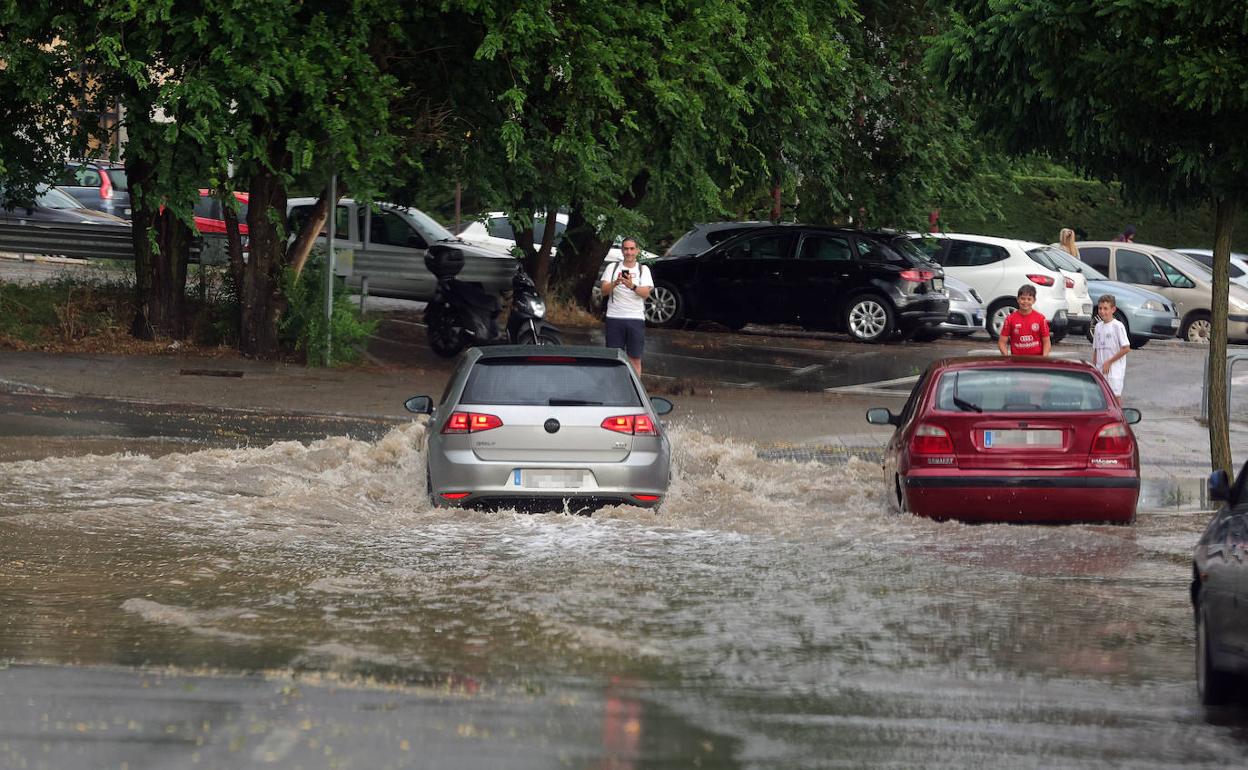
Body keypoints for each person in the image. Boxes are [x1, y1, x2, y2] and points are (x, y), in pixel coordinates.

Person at [600, 238, 653, 375]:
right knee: (613, 357)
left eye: (631, 249)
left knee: (634, 358)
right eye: (626, 249)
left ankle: (635, 393)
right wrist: (615, 283)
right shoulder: (612, 268)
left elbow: (646, 293)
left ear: (637, 251)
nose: (628, 252)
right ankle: (612, 390)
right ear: (622, 250)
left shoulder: (643, 270)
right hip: (614, 317)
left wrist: (632, 286)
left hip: (635, 318)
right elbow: (604, 291)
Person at [1091, 294, 1130, 401]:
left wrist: (1109, 362)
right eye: (1100, 308)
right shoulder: (1098, 326)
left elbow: (1126, 348)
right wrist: (1094, 367)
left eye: (1105, 309)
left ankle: (1118, 417)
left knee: (1114, 397)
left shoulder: (1117, 326)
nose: (1102, 312)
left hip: (1114, 371)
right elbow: (1096, 349)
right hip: (1100, 369)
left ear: (1113, 309)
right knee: (1100, 398)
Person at [997, 284, 1051, 356]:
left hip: (1037, 360)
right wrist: (1006, 358)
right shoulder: (1010, 319)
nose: (1025, 301)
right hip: (1017, 361)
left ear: (1034, 300)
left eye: (1029, 299)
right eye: (1022, 298)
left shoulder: (1040, 318)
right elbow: (1002, 342)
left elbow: (1046, 342)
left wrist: (1044, 359)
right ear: (1018, 299)